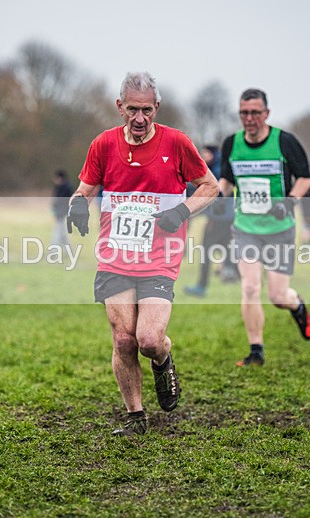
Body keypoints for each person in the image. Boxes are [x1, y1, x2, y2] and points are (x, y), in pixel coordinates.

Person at [66, 72, 218, 436]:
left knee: (149, 339)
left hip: (159, 259)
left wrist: (181, 211)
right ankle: (135, 416)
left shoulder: (177, 143)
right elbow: (84, 189)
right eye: (132, 109)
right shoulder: (103, 144)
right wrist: (76, 206)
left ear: (156, 108)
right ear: (120, 107)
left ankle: (164, 359)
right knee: (124, 338)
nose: (139, 118)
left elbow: (210, 187)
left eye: (146, 110)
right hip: (115, 255)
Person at [217, 88, 310, 367]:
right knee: (249, 287)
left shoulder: (284, 142)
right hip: (245, 227)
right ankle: (256, 350)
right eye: (244, 113)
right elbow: (226, 179)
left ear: (266, 113)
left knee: (277, 296)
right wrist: (219, 196)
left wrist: (290, 201)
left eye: (255, 113)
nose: (249, 118)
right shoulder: (231, 144)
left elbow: (305, 178)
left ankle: (297, 306)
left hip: (279, 228)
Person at [184, 145, 236, 296]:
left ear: (213, 154)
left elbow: (216, 189)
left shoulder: (217, 170)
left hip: (220, 216)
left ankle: (202, 285)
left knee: (206, 249)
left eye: (205, 153)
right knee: (226, 246)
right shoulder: (215, 166)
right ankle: (232, 271)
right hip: (226, 216)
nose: (203, 155)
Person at [51, 169, 73, 248]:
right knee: (62, 233)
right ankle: (68, 250)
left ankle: (53, 249)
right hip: (59, 212)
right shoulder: (59, 187)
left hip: (62, 213)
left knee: (58, 232)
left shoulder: (65, 188)